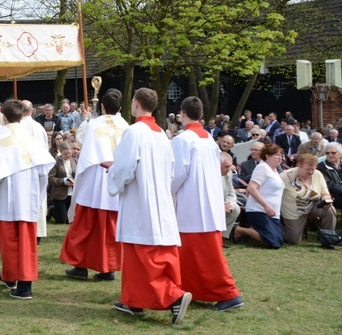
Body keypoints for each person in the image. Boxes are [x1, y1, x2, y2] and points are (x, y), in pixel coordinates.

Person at [107, 88, 191, 324]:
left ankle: (173, 297)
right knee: (138, 254)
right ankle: (133, 300)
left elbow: (124, 168)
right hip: (159, 197)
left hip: (140, 199)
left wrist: (112, 174)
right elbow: (171, 168)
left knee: (144, 255)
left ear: (135, 103)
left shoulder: (134, 132)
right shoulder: (162, 134)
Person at [171, 97, 243, 311]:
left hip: (192, 204)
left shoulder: (182, 140)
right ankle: (192, 289)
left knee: (208, 255)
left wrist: (166, 192)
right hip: (207, 201)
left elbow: (177, 174)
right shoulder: (209, 140)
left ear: (182, 114)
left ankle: (229, 293)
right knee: (192, 253)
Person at [0, 100, 55, 300]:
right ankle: (10, 276)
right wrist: (37, 193)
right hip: (27, 196)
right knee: (25, 241)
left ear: (3, 116)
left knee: (9, 241)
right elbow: (43, 171)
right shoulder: (31, 138)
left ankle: (24, 286)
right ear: (21, 115)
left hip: (7, 197)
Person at [61, 89, 128, 282]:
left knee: (85, 224)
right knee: (110, 228)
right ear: (120, 108)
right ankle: (108, 268)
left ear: (103, 106)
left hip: (95, 176)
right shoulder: (126, 126)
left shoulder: (93, 124)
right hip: (115, 177)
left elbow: (81, 140)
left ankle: (80, 265)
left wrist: (86, 119)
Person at [232, 144, 285, 248]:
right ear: (268, 156)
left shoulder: (275, 170)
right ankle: (239, 230)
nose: (280, 158)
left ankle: (252, 229)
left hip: (273, 212)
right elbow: (251, 188)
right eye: (277, 155)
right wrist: (266, 205)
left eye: (281, 155)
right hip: (259, 210)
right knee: (274, 242)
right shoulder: (262, 168)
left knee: (279, 240)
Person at [280, 153, 336, 244]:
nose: (310, 172)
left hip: (313, 205)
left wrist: (327, 201)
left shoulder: (318, 174)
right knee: (293, 240)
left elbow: (325, 193)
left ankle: (328, 239)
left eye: (312, 169)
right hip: (294, 211)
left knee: (330, 210)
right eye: (307, 169)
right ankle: (275, 230)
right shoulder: (286, 176)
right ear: (299, 166)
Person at [19, 100, 52, 243]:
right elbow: (46, 148)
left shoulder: (16, 127)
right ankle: (38, 232)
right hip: (38, 168)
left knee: (23, 200)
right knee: (38, 198)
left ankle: (23, 230)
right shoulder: (39, 127)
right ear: (32, 111)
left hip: (22, 169)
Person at [48, 142, 76, 224]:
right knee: (62, 221)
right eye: (66, 153)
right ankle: (52, 209)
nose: (68, 155)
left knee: (70, 221)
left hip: (72, 193)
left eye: (69, 153)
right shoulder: (56, 162)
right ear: (60, 151)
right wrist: (63, 181)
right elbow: (50, 178)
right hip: (60, 195)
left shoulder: (75, 161)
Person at [220, 153, 241, 246]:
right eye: (226, 167)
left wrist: (228, 205)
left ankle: (221, 237)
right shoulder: (207, 175)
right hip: (209, 206)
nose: (229, 169)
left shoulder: (228, 174)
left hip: (223, 204)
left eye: (230, 166)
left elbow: (231, 193)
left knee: (235, 209)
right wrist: (220, 206)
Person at [317, 142, 342, 209]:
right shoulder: (321, 167)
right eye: (327, 153)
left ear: (340, 154)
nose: (330, 155)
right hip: (333, 196)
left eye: (333, 153)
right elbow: (329, 184)